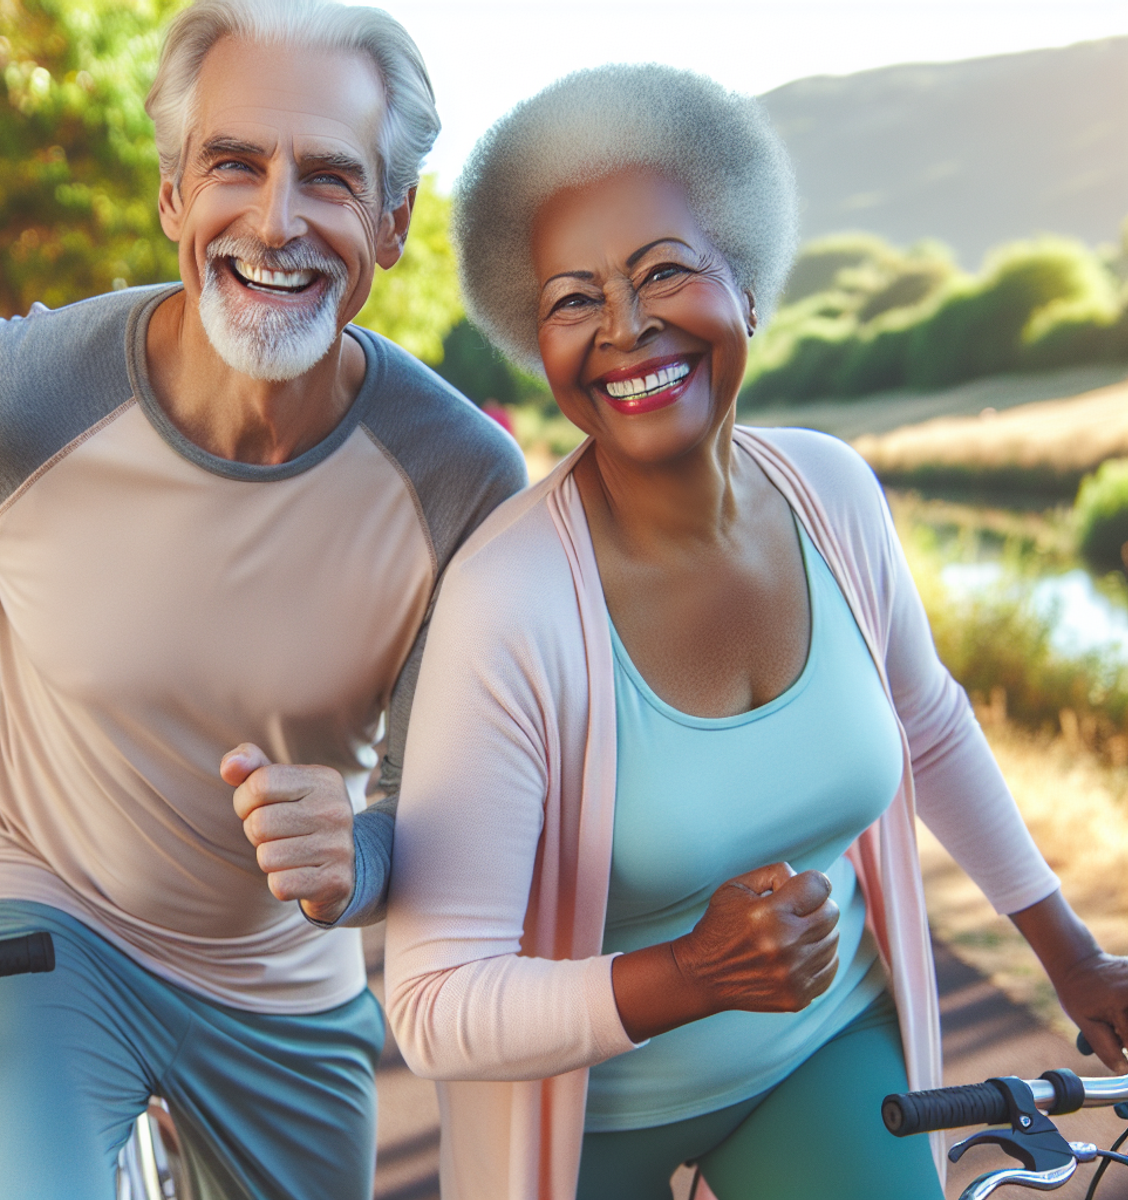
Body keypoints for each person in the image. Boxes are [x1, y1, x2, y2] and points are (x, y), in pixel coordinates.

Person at [382, 64, 1128, 1200]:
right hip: (584, 1110)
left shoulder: (833, 491)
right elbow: (434, 1005)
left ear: (748, 284)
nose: (627, 329)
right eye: (574, 298)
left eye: (665, 273)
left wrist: (1070, 956)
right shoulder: (508, 604)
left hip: (821, 1056)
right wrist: (691, 973)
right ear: (536, 345)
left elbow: (925, 727)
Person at [0, 1, 525, 1196]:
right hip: (43, 917)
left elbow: (454, 812)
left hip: (285, 984)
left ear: (394, 222)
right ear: (172, 198)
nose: (274, 219)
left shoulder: (460, 477)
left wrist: (354, 856)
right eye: (233, 164)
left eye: (331, 178)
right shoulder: (22, 397)